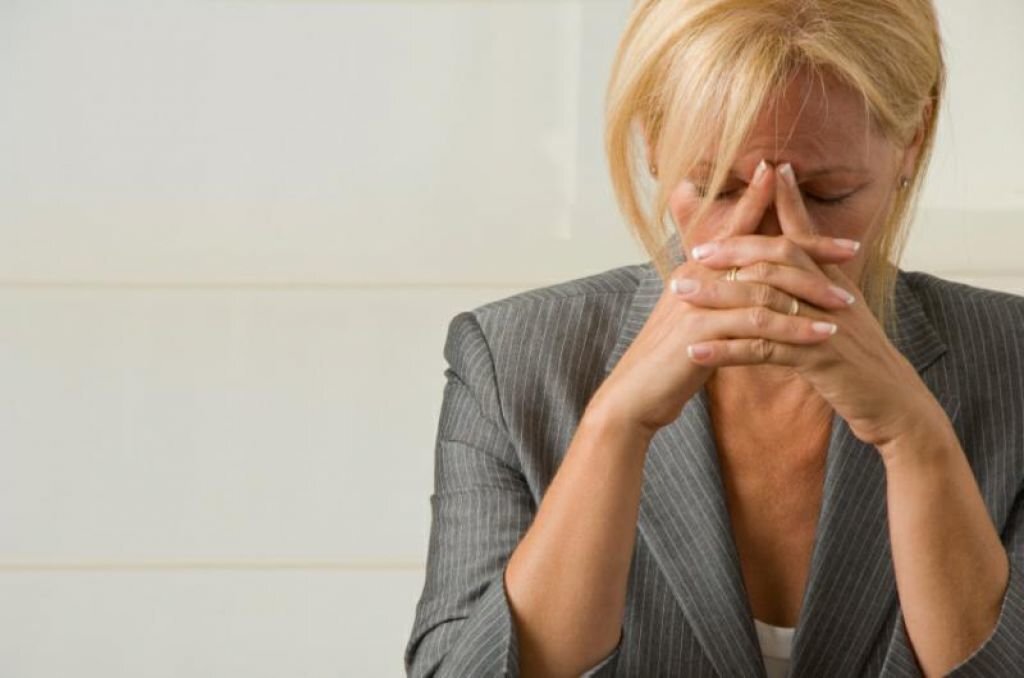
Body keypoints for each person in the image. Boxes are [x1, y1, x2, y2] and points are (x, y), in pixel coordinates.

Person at [404, 1, 1024, 676]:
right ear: (651, 138)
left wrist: (916, 440)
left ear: (913, 138)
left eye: (827, 194)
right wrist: (614, 427)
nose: (770, 242)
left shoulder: (1013, 362)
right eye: (718, 189)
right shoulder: (511, 363)